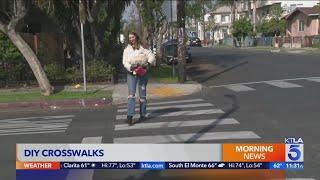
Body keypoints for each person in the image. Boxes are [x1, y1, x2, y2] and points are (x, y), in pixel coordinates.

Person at [122, 32, 155, 125]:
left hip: (142, 73)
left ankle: (143, 115)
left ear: (136, 37)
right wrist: (130, 68)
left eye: (132, 37)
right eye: (129, 37)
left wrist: (148, 63)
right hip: (131, 73)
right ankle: (129, 116)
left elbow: (151, 56)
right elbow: (124, 62)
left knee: (142, 95)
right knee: (131, 95)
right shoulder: (127, 49)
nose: (131, 39)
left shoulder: (142, 48)